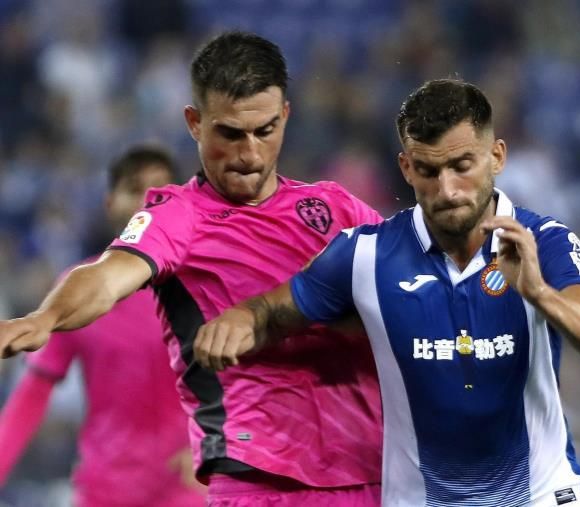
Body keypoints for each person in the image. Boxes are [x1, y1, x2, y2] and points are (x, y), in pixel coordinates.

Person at [193, 79, 580, 507]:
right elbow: (274, 311)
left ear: (497, 156)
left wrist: (540, 293)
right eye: (428, 170)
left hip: (541, 497)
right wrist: (243, 318)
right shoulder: (365, 255)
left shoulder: (546, 242)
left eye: (462, 166)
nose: (447, 190)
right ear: (406, 167)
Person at [0, 31, 383, 506]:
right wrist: (45, 318)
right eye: (230, 134)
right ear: (195, 123)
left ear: (285, 116)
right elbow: (108, 274)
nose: (249, 154)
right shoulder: (179, 216)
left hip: (370, 475)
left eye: (265, 131)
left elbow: (413, 282)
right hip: (257, 479)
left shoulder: (335, 208)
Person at [0, 146, 205, 506]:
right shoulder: (75, 291)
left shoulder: (208, 286)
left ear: (179, 203)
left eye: (159, 189)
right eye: (134, 188)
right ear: (110, 202)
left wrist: (221, 444)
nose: (146, 200)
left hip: (187, 488)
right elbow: (32, 393)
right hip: (105, 490)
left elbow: (255, 381)